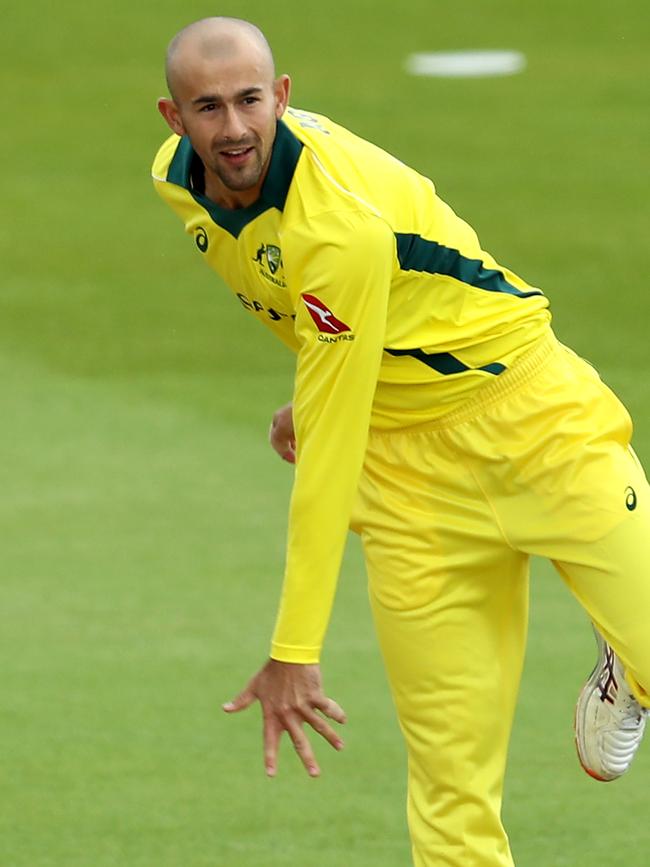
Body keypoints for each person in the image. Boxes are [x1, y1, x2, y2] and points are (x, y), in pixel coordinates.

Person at [152, 17, 650, 866]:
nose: (232, 129)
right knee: (451, 797)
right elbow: (313, 313)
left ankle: (627, 663)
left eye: (247, 102)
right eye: (208, 108)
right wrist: (317, 389)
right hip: (411, 488)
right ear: (174, 119)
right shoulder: (178, 185)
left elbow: (329, 448)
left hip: (535, 425)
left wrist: (293, 652)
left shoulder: (336, 219)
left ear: (281, 98)